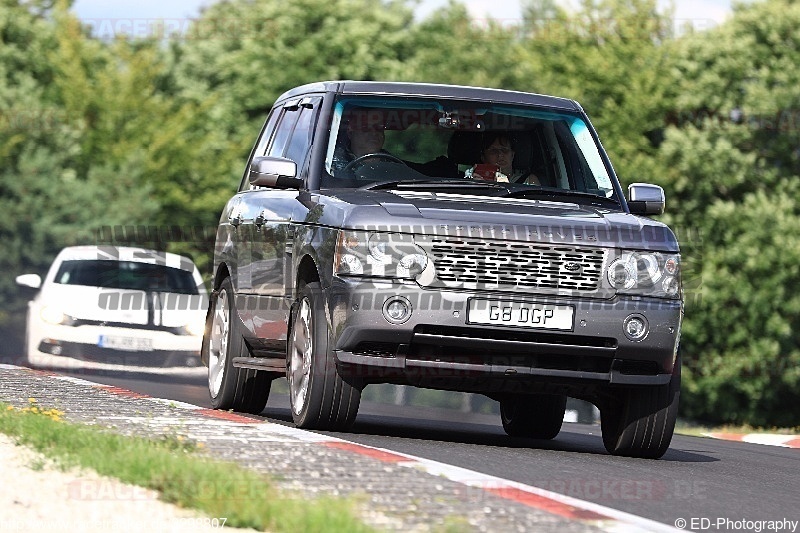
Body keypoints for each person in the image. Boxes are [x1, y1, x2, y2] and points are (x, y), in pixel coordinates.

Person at [466, 133, 541, 185]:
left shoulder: (529, 181)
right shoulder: (472, 177)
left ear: (512, 155)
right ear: (483, 157)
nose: (500, 155)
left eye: (504, 150)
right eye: (493, 151)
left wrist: (507, 187)